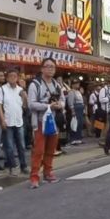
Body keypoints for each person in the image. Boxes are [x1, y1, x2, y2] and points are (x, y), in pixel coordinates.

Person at [27, 57, 63, 188]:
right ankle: (34, 176)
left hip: (53, 122)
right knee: (38, 150)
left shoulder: (57, 84)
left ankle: (48, 173)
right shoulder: (35, 84)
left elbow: (63, 100)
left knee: (51, 149)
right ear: (42, 69)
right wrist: (48, 106)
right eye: (47, 66)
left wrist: (59, 105)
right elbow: (31, 104)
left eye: (52, 67)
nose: (50, 69)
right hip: (40, 121)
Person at [0, 67, 28, 176]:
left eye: (15, 76)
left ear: (18, 78)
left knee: (21, 146)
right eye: (10, 76)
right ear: (7, 78)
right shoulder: (2, 89)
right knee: (9, 146)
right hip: (8, 121)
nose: (13, 78)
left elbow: (24, 106)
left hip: (19, 121)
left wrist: (25, 96)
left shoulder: (20, 90)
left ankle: (23, 165)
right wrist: (2, 120)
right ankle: (12, 166)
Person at [67, 80, 86, 145]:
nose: (78, 85)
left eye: (78, 83)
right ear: (73, 85)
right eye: (76, 84)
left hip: (80, 108)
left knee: (80, 124)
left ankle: (78, 138)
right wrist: (72, 110)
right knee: (75, 124)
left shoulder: (78, 92)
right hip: (76, 108)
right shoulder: (71, 92)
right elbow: (70, 102)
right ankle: (73, 139)